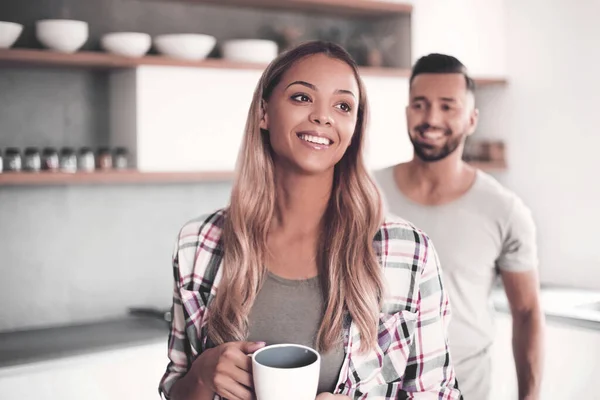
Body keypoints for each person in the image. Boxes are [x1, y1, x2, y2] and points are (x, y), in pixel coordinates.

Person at [158, 41, 461, 400]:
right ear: (264, 113)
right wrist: (202, 376)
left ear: (353, 130)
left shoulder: (409, 252)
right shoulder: (199, 244)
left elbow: (439, 394)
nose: (323, 116)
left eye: (343, 105)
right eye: (302, 98)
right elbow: (176, 387)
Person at [373, 53, 545, 400]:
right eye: (419, 104)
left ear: (471, 119)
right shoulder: (363, 195)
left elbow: (526, 312)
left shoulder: (505, 210)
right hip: (373, 388)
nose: (431, 118)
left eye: (447, 106)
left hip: (467, 388)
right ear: (407, 112)